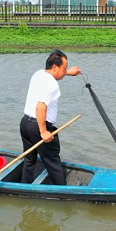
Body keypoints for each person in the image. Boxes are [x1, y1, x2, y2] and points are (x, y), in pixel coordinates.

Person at [20, 50, 81, 185]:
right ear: (55, 67)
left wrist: (69, 72)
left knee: (29, 160)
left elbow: (55, 74)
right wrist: (43, 132)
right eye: (64, 68)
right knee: (53, 161)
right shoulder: (52, 85)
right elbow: (40, 107)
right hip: (38, 126)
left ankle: (24, 187)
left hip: (25, 124)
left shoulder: (38, 74)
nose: (66, 70)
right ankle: (63, 193)